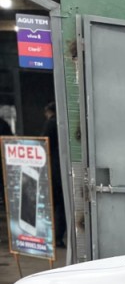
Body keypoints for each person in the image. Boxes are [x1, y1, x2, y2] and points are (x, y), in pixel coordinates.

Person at [41, 102, 66, 248]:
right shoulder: (63, 123)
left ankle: (54, 237)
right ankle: (58, 236)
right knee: (61, 206)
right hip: (61, 168)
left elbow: (43, 143)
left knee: (56, 205)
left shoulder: (50, 124)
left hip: (53, 169)